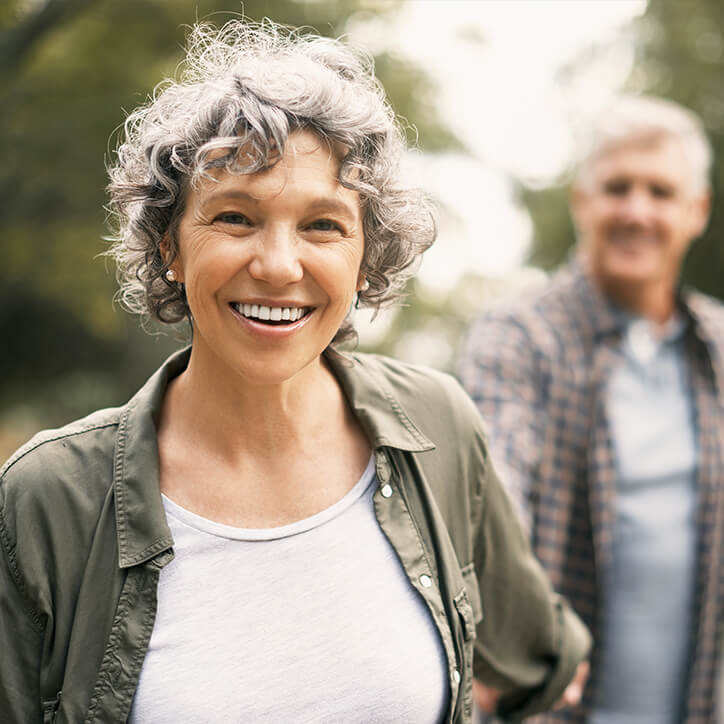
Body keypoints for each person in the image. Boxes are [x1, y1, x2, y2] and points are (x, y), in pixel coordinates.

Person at [0, 18, 590, 724]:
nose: (279, 266)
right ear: (169, 246)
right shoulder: (46, 501)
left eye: (323, 225)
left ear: (366, 255)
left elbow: (542, 662)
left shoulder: (437, 427)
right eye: (235, 218)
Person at [460, 94, 723, 724]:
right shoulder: (519, 335)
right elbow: (495, 488)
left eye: (660, 191)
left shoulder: (719, 347)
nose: (637, 210)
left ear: (697, 211)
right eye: (617, 187)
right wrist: (504, 625)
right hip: (554, 709)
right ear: (582, 201)